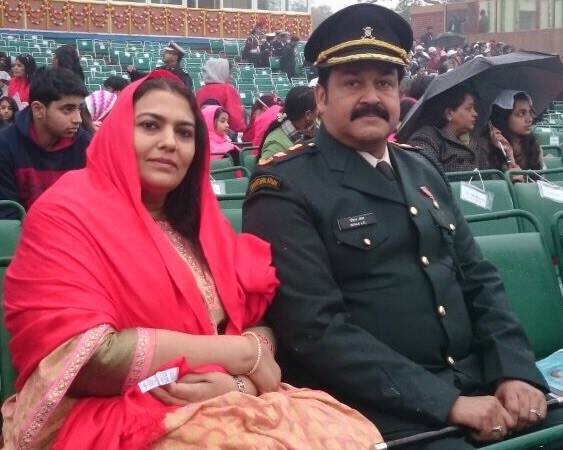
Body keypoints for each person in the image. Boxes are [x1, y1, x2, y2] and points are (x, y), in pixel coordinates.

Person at [1, 70, 380, 449]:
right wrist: (242, 354)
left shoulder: (199, 222)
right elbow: (88, 360)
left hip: (218, 396)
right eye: (150, 126)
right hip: (106, 411)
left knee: (353, 434)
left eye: (184, 133)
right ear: (117, 132)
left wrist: (238, 384)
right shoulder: (65, 214)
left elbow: (255, 319)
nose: (169, 142)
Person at [243, 4, 559, 449]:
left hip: (478, 385)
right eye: (353, 83)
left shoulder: (421, 168)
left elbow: (478, 278)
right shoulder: (285, 185)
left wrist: (515, 371)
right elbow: (315, 331)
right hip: (383, 414)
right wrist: (447, 403)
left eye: (385, 83)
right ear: (322, 98)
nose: (371, 97)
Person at [0, 68, 90, 218]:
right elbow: (8, 215)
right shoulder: (5, 146)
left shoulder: (85, 145)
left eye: (79, 109)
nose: (78, 119)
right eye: (67, 109)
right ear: (38, 109)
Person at [406, 85, 491, 172]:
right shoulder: (427, 138)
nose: (475, 114)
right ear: (449, 113)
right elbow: (428, 173)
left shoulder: (475, 142)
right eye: (468, 109)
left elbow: (490, 175)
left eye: (474, 108)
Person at [481, 90, 542, 172]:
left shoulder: (533, 146)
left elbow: (540, 177)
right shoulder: (485, 149)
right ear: (503, 117)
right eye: (521, 113)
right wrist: (508, 152)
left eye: (529, 112)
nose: (529, 119)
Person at [259, 86, 318, 161]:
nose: (321, 110)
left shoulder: (315, 131)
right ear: (308, 115)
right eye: (318, 107)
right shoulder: (275, 146)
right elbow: (265, 167)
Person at [195, 58, 246, 133]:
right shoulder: (228, 90)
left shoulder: (199, 91)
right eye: (228, 73)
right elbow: (236, 121)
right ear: (221, 72)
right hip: (223, 134)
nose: (230, 76)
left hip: (202, 133)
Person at [128, 41, 193, 90]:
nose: (164, 54)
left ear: (175, 57)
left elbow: (186, 94)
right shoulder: (159, 69)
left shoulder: (182, 75)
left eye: (167, 53)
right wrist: (133, 72)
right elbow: (146, 78)